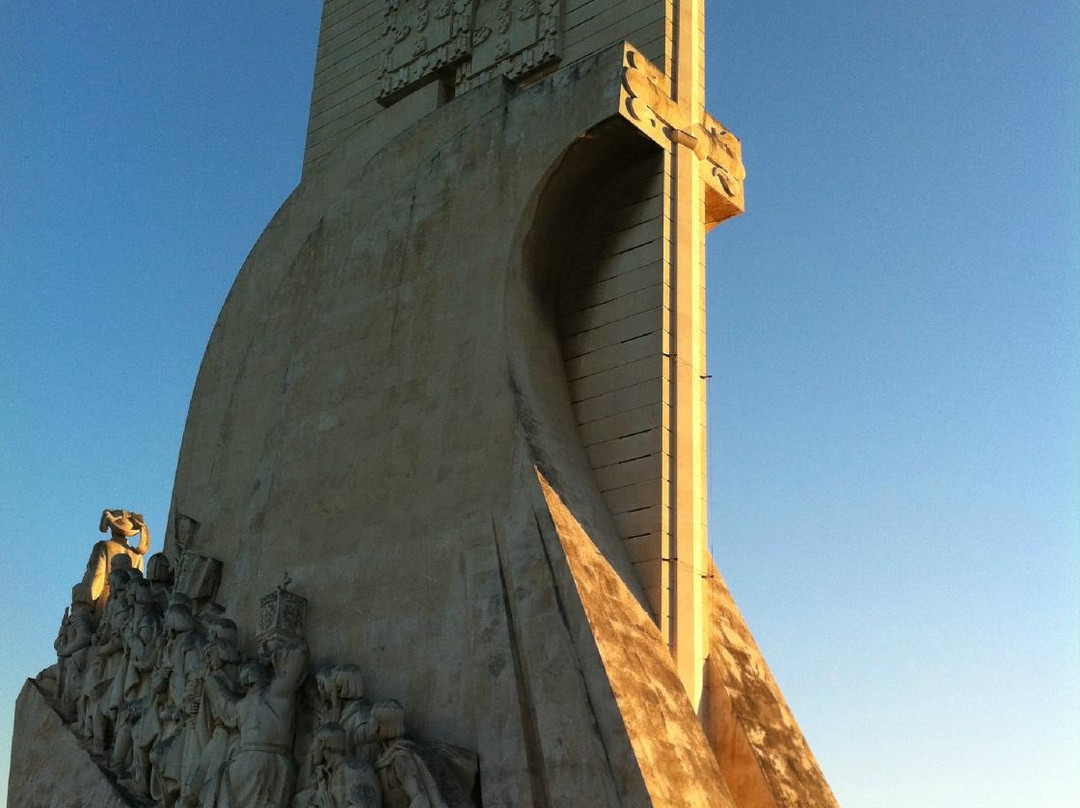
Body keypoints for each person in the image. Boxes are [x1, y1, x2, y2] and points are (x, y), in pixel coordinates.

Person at [83, 509, 151, 613]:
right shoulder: (137, 554)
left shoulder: (104, 546)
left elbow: (96, 577)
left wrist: (88, 604)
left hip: (107, 601)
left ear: (112, 527)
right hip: (129, 606)